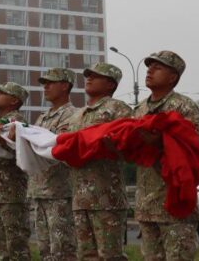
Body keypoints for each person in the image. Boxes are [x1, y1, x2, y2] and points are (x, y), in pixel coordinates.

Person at [131, 51, 199, 261]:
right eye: (149, 67)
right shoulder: (140, 109)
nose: (150, 70)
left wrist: (160, 143)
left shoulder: (184, 107)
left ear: (173, 77)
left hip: (175, 202)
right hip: (146, 203)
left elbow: (195, 148)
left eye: (158, 67)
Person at [69, 61, 132, 261]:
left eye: (96, 76)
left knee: (110, 255)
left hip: (107, 197)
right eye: (88, 75)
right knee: (86, 255)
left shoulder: (118, 109)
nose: (89, 78)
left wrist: (106, 144)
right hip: (80, 198)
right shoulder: (78, 115)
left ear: (110, 85)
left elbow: (128, 147)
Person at [30, 68, 78, 261]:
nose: (46, 87)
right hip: (41, 190)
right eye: (44, 83)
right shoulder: (43, 117)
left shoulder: (73, 115)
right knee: (45, 250)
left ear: (65, 86)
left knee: (62, 249)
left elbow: (59, 146)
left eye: (51, 82)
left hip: (60, 191)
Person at [0, 82, 32, 261]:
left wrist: (2, 140)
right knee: (2, 247)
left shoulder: (18, 122)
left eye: (2, 93)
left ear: (14, 100)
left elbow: (22, 151)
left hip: (12, 193)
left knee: (16, 246)